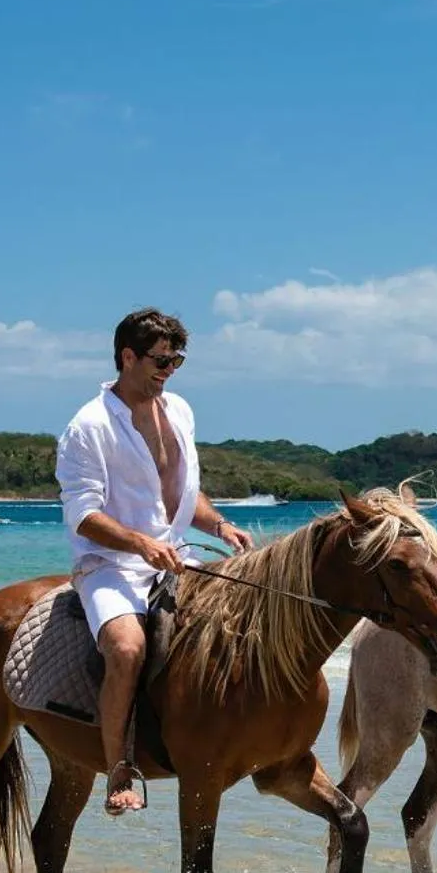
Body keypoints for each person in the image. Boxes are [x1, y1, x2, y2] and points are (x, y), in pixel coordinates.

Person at [56, 308, 252, 816]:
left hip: (177, 555)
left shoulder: (180, 410)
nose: (169, 370)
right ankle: (119, 770)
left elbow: (182, 491)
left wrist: (219, 525)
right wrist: (140, 543)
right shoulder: (89, 426)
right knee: (126, 648)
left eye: (176, 361)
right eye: (161, 360)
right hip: (110, 564)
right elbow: (83, 515)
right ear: (128, 357)